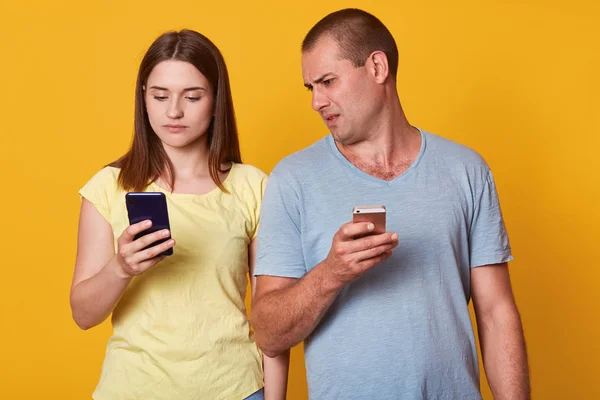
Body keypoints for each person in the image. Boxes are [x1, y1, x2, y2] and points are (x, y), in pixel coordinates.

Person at [251, 8, 530, 400]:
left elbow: (497, 313)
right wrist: (331, 273)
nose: (316, 101)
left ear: (377, 66)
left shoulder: (466, 170)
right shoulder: (292, 179)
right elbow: (267, 333)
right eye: (310, 87)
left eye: (328, 81)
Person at [70, 29, 288, 400]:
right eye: (160, 96)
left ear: (217, 100)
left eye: (193, 96)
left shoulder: (255, 187)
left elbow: (273, 316)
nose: (174, 111)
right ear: (143, 99)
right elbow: (83, 316)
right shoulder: (109, 186)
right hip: (131, 387)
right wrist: (121, 267)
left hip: (234, 388)